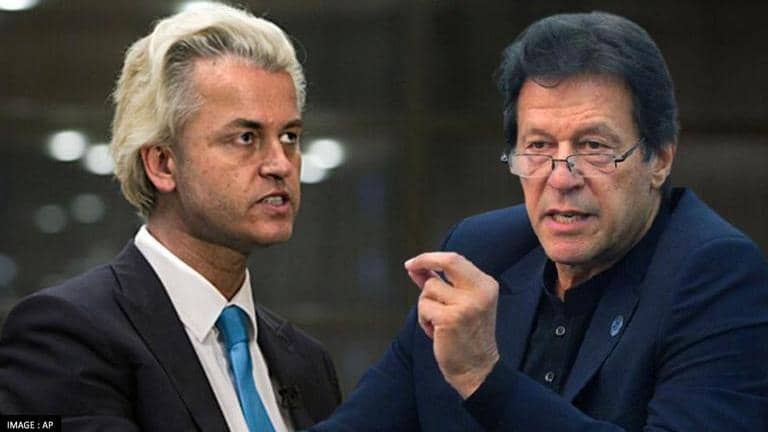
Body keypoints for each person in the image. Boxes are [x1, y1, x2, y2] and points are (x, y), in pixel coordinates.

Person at [313, 11, 768, 431]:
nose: (561, 177)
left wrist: (484, 378)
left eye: (593, 147)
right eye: (538, 147)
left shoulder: (717, 274)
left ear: (660, 159)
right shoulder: (479, 251)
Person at [0, 4, 340, 431]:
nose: (281, 164)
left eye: (289, 136)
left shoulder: (307, 363)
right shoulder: (65, 336)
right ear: (162, 164)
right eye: (246, 137)